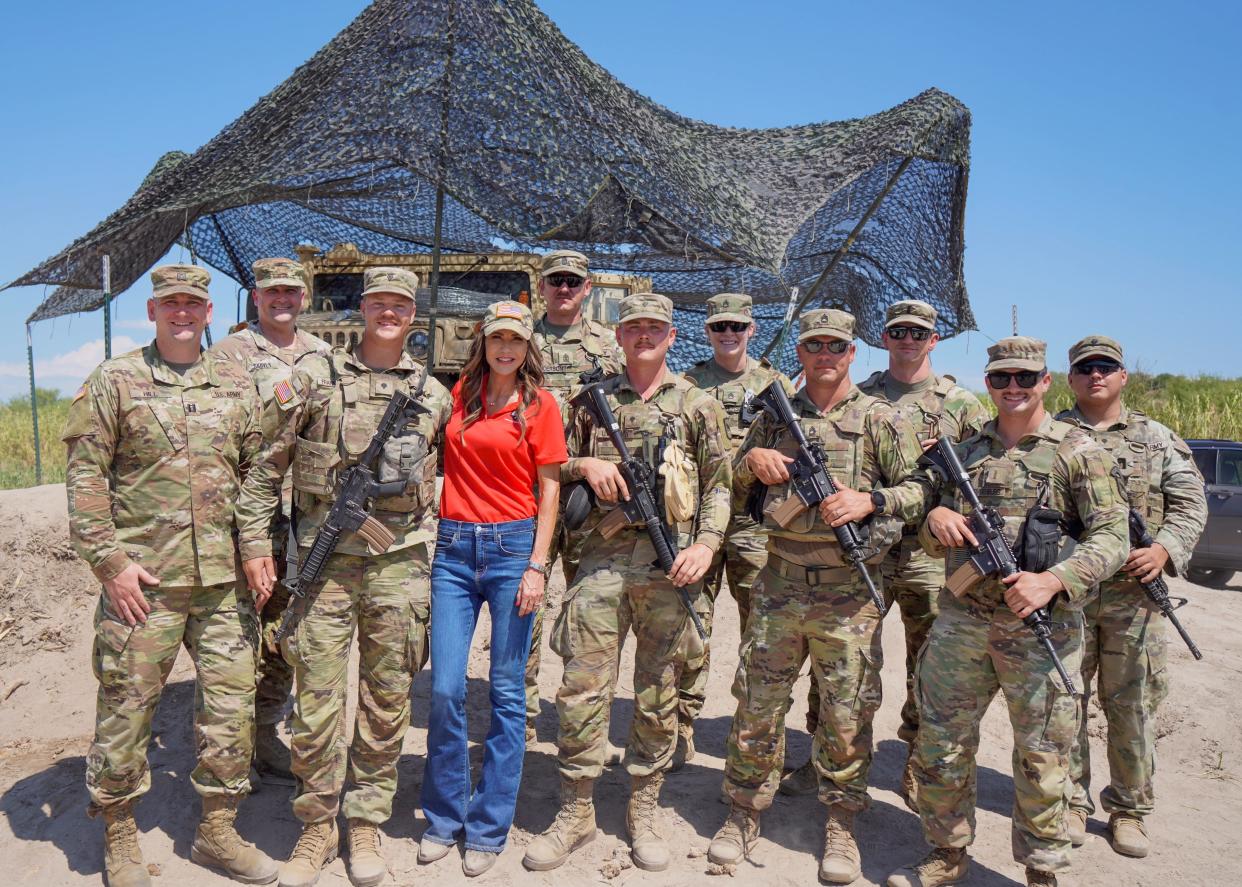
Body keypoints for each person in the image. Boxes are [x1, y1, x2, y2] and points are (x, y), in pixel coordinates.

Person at [236, 267, 452, 887]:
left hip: (400, 560)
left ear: (413, 314)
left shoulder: (432, 395)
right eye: (378, 303)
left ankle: (365, 823)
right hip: (323, 563)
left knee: (386, 702)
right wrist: (256, 542)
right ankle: (316, 825)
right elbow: (264, 467)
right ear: (362, 308)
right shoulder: (313, 377)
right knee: (317, 702)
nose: (389, 313)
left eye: (400, 305)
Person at [887, 336, 1129, 887]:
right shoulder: (966, 452)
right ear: (988, 384)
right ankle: (946, 853)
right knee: (941, 744)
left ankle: (1041, 868)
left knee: (1043, 756)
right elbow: (926, 534)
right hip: (962, 624)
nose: (1013, 388)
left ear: (1045, 382)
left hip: (1042, 627)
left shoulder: (1079, 451)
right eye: (1001, 379)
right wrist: (935, 524)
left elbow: (1112, 535)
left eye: (1025, 378)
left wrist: (1055, 579)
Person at [63, 264, 277, 887]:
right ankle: (120, 833)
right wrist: (111, 565)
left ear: (210, 314)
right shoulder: (116, 380)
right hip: (144, 585)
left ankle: (217, 831)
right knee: (127, 710)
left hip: (221, 585)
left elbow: (260, 469)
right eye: (170, 304)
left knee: (231, 710)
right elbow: (86, 481)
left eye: (193, 304)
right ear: (152, 313)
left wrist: (255, 546)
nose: (182, 313)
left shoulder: (236, 383)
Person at [707, 308, 929, 885]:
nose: (825, 354)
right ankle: (743, 811)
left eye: (836, 346)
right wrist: (750, 461)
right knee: (758, 704)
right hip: (779, 581)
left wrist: (869, 503)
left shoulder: (881, 418)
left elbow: (920, 491)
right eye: (814, 346)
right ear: (801, 353)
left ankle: (842, 823)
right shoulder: (776, 416)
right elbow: (729, 476)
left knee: (848, 713)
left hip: (850, 591)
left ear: (853, 353)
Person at [523, 293, 731, 873]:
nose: (643, 336)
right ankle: (576, 811)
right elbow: (546, 460)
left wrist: (706, 545)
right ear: (618, 337)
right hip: (598, 567)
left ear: (671, 336)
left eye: (655, 328)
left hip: (668, 571)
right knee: (583, 690)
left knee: (659, 692)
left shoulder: (696, 403)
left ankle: (644, 805)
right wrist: (584, 466)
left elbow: (719, 485)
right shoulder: (589, 401)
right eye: (633, 327)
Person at [781, 299, 987, 799]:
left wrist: (945, 514)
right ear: (883, 339)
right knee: (838, 659)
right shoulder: (862, 394)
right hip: (865, 552)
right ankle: (822, 754)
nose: (908, 341)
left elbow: (980, 481)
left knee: (929, 665)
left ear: (933, 339)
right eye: (899, 333)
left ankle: (917, 760)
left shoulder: (962, 405)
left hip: (928, 557)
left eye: (918, 333)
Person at [417, 300, 567, 877]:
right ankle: (443, 817)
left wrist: (537, 565)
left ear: (529, 347)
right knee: (447, 689)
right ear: (481, 342)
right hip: (454, 550)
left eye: (516, 340)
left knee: (507, 693)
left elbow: (549, 492)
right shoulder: (456, 396)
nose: (505, 349)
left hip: (512, 551)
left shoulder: (541, 407)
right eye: (496, 339)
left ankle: (487, 826)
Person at [1056, 335, 1206, 857]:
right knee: (1065, 702)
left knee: (1133, 706)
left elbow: (1190, 504)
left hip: (1133, 598)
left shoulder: (1156, 438)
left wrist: (1164, 549)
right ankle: (1070, 802)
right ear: (1071, 378)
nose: (1096, 375)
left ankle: (1129, 810)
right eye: (1085, 368)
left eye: (1106, 367)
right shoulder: (1052, 435)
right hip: (1068, 594)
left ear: (1122, 377)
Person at [209, 256, 331, 782]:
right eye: (271, 292)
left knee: (283, 626)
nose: (281, 299)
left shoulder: (323, 354)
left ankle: (263, 735)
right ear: (255, 298)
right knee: (238, 632)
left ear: (303, 298)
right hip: (245, 510)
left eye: (290, 291)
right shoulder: (229, 354)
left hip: (301, 513)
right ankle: (229, 749)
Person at [679, 292, 791, 768]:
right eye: (719, 327)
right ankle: (681, 724)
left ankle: (753, 730)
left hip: (753, 522)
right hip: (700, 521)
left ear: (752, 330)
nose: (728, 335)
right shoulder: (689, 383)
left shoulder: (776, 385)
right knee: (689, 623)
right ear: (707, 331)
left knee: (761, 632)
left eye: (737, 327)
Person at [525, 249, 624, 742]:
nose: (564, 288)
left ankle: (584, 720)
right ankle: (519, 716)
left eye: (573, 281)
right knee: (524, 604)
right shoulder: (521, 342)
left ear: (588, 288)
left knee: (590, 609)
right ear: (541, 286)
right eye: (556, 280)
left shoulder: (611, 346)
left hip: (590, 496)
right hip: (528, 490)